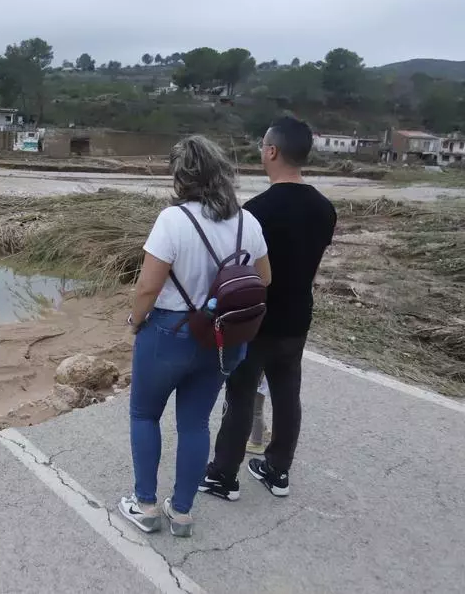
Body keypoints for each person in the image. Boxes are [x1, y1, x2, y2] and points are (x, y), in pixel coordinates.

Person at [119, 134, 271, 537]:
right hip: (221, 339)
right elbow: (264, 279)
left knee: (144, 415)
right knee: (195, 424)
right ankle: (182, 513)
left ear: (181, 175)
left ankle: (145, 505)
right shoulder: (248, 222)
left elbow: (147, 288)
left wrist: (135, 321)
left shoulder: (172, 221)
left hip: (169, 333)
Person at [199, 116, 336, 500]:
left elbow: (242, 271)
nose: (262, 151)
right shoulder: (325, 209)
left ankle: (223, 475)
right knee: (287, 394)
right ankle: (278, 470)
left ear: (272, 151)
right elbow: (312, 269)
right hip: (298, 318)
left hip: (257, 320)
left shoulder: (257, 210)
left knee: (240, 394)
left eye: (263, 146)